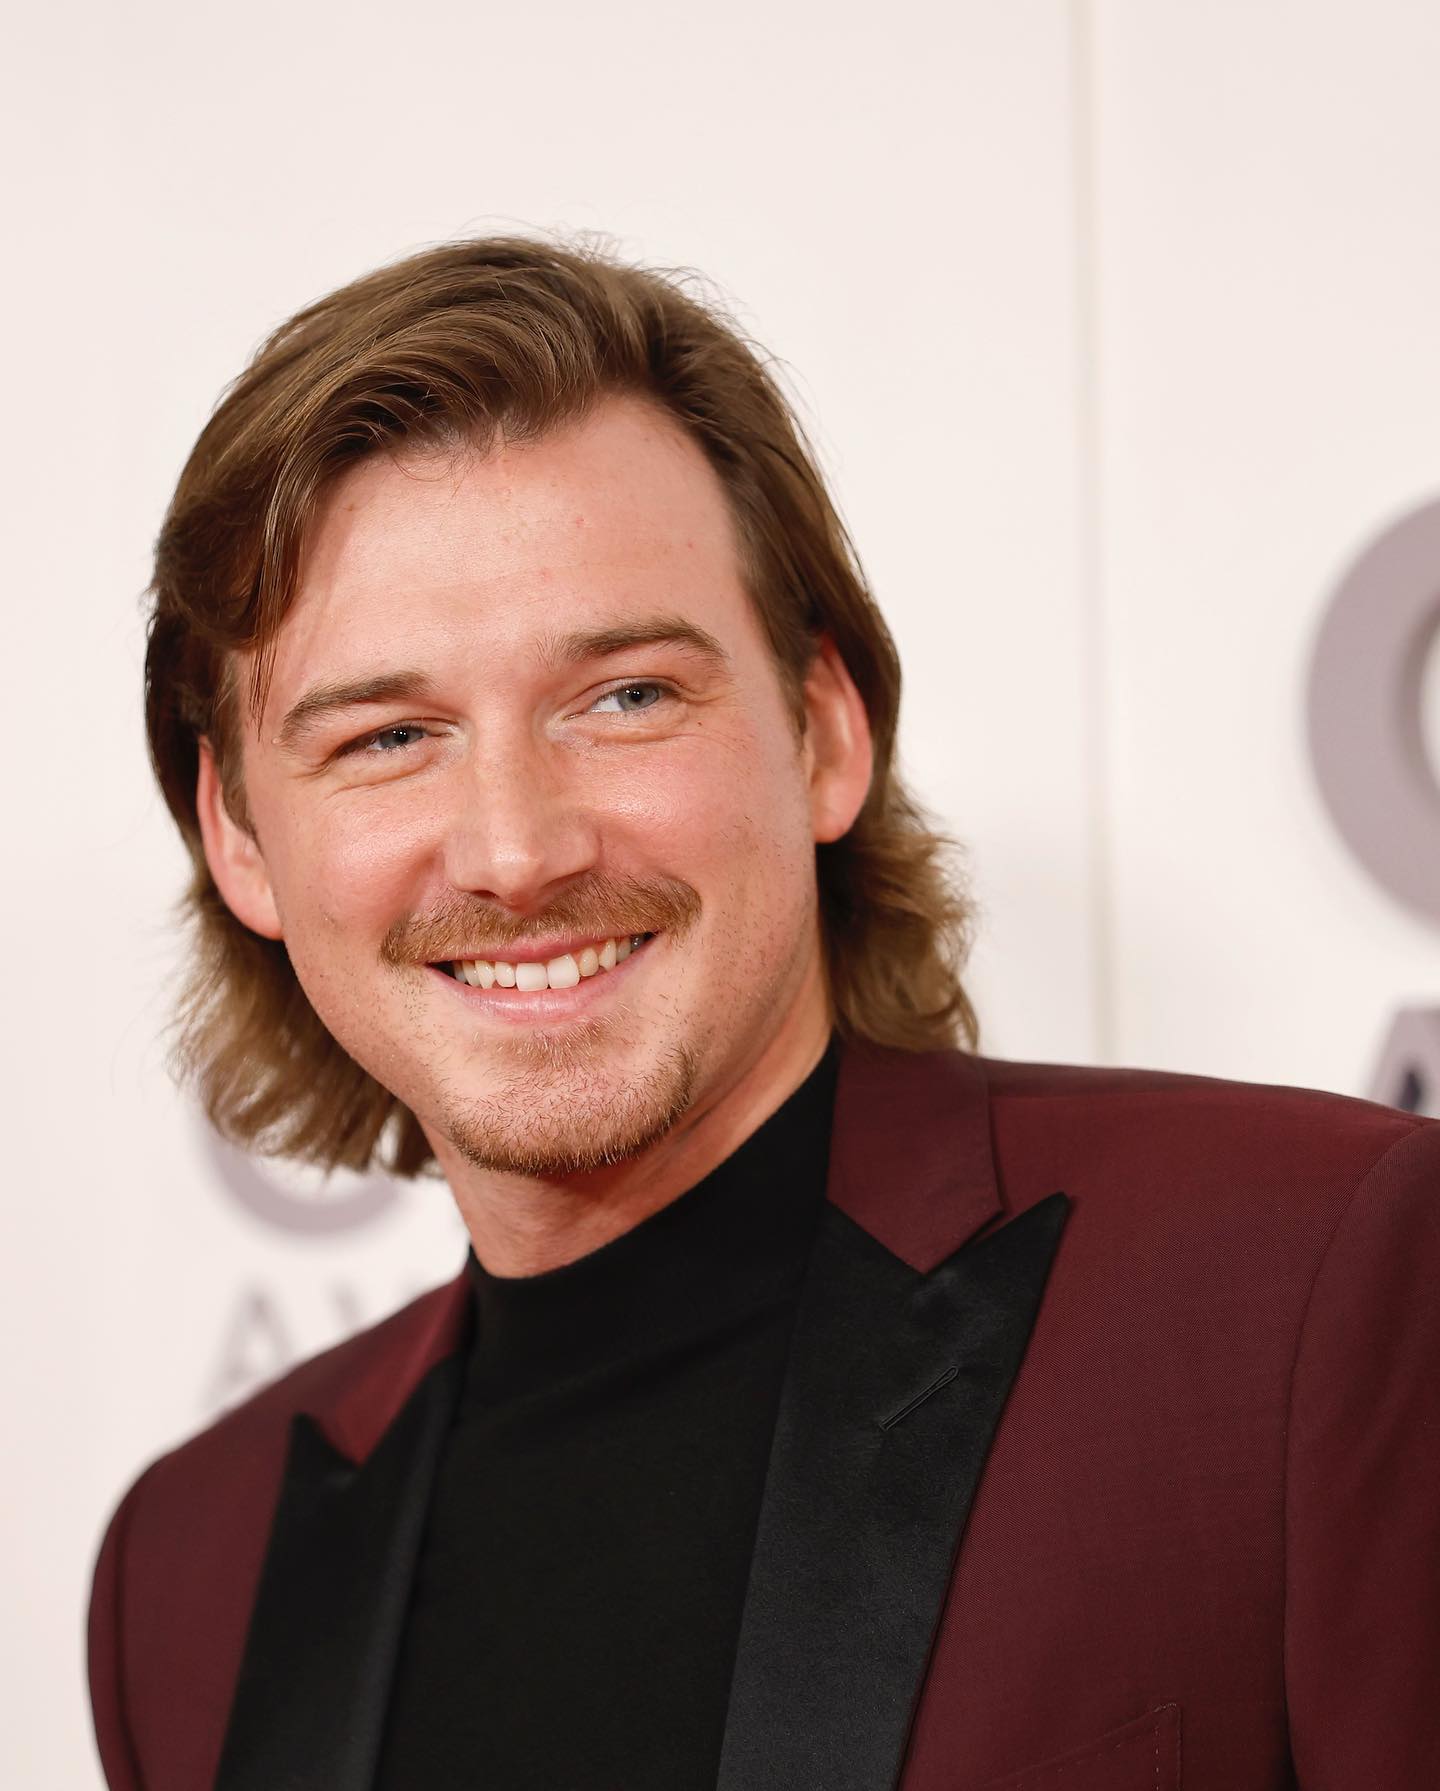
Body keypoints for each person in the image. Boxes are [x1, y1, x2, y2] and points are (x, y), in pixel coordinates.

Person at [89, 238, 1440, 1791]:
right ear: (240, 839)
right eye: (389, 736)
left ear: (823, 734)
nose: (518, 851)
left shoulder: (1303, 1288)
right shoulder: (186, 1581)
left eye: (625, 697)